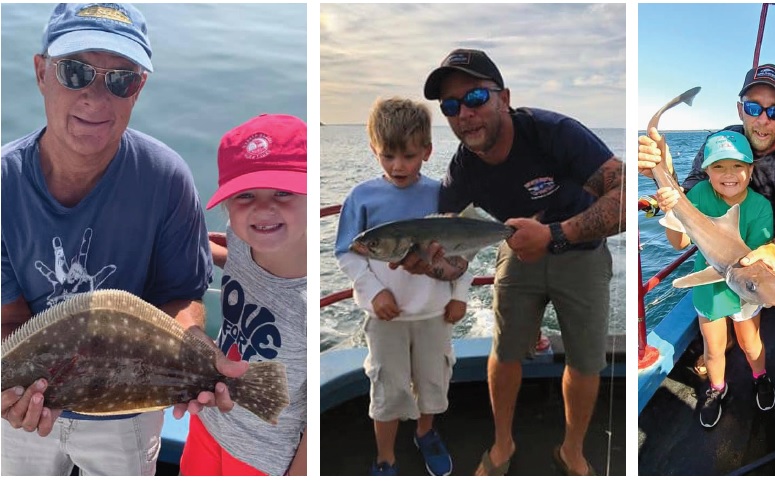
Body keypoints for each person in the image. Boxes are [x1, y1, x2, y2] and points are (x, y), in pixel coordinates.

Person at [0, 3, 245, 476]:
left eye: (120, 79)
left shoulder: (166, 178)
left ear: (139, 89)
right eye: (75, 72)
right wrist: (11, 394)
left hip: (129, 409)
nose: (96, 97)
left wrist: (194, 353)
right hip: (23, 410)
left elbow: (181, 294)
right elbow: (9, 317)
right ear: (40, 72)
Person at [420, 48, 626, 476]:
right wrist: (430, 266)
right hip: (515, 251)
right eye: (451, 107)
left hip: (582, 254)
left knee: (587, 361)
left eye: (475, 98)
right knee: (505, 351)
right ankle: (502, 444)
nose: (465, 114)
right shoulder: (461, 173)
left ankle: (572, 449)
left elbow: (623, 197)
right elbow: (455, 262)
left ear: (504, 98)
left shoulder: (553, 133)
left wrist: (556, 234)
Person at [638, 63, 775, 386]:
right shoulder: (721, 140)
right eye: (754, 107)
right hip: (725, 232)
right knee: (725, 293)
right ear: (741, 109)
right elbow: (692, 194)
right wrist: (665, 174)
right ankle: (721, 344)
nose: (762, 119)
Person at [335, 97, 473, 476]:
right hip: (385, 320)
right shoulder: (361, 197)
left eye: (409, 156)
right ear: (374, 149)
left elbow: (464, 248)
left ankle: (425, 434)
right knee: (388, 389)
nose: (399, 166)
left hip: (435, 314)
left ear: (427, 151)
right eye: (388, 156)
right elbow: (347, 253)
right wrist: (374, 291)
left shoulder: (443, 194)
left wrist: (459, 295)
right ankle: (385, 456)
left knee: (434, 381)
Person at [179, 114, 307, 475]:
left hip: (260, 456)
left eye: (283, 192)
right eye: (245, 195)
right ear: (227, 206)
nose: (264, 208)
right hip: (207, 420)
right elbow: (233, 258)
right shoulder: (240, 239)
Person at [655, 131, 775, 428]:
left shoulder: (761, 206)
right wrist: (673, 210)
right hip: (711, 286)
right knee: (713, 347)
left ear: (751, 169)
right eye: (718, 167)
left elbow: (758, 258)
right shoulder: (697, 196)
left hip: (746, 287)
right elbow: (680, 244)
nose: (729, 174)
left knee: (751, 344)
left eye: (737, 166)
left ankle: (761, 377)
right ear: (706, 171)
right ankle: (717, 388)